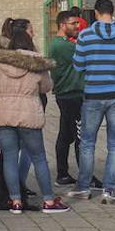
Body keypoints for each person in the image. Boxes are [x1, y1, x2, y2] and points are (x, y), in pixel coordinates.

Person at [0, 26, 68, 214]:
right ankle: (48, 200)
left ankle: (15, 201)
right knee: (39, 157)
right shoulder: (37, 63)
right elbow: (46, 87)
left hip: (2, 114)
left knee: (9, 157)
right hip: (29, 113)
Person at [71, 0, 115, 204]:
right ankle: (109, 190)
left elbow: (77, 66)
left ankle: (84, 187)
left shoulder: (85, 35)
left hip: (93, 94)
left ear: (95, 13)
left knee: (87, 143)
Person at [47, 11, 92, 186]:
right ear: (62, 25)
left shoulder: (61, 44)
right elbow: (88, 53)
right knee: (81, 136)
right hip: (72, 95)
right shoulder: (62, 46)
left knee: (65, 135)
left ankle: (62, 174)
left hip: (67, 94)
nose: (77, 27)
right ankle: (86, 177)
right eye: (73, 24)